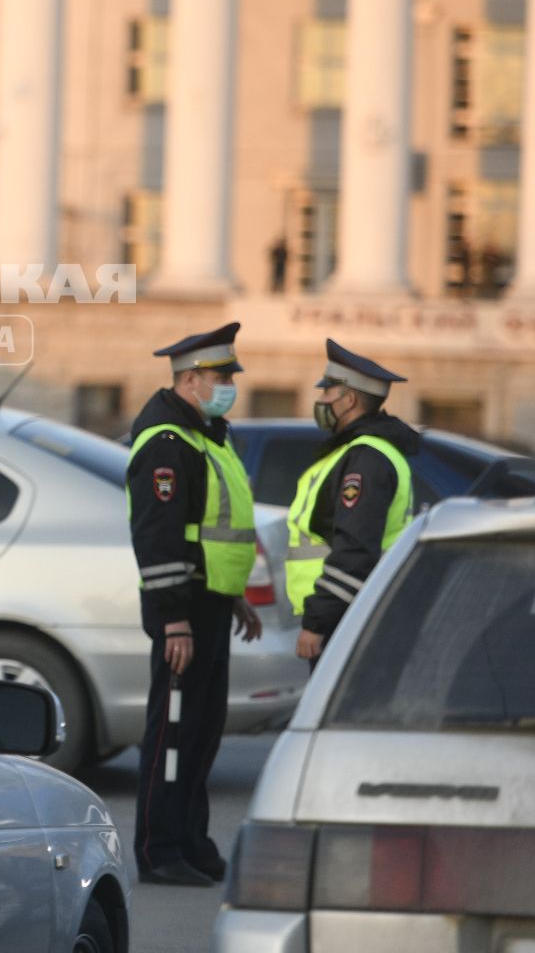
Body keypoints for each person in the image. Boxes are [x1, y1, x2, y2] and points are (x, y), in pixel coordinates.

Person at [125, 323, 264, 888]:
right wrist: (174, 617)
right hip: (182, 611)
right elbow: (158, 537)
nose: (229, 385)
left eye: (230, 375)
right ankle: (160, 849)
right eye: (220, 377)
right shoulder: (166, 441)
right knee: (173, 733)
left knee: (202, 732)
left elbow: (213, 529)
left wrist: (233, 599)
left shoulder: (206, 435)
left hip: (209, 605)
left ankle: (192, 841)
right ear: (189, 381)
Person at [286, 340, 422, 664]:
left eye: (326, 393)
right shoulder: (358, 452)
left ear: (348, 400)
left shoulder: (366, 459)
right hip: (352, 610)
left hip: (346, 616)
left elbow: (355, 547)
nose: (320, 401)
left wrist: (318, 622)